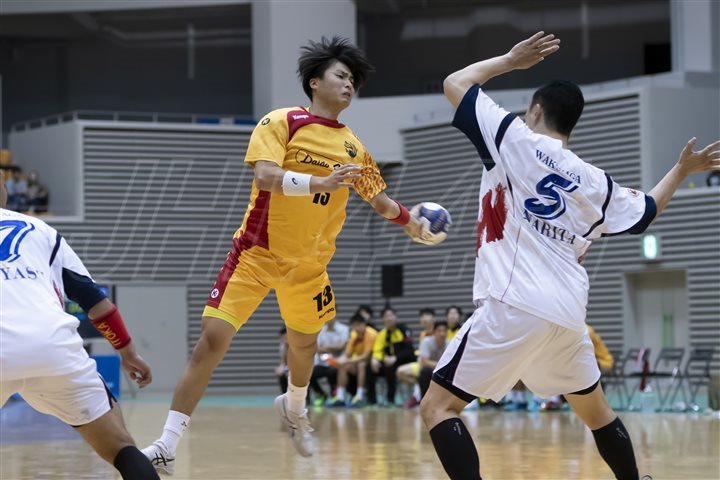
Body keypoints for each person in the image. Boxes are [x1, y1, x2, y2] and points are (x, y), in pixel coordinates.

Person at [420, 31, 719, 480]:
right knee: (597, 412)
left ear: (536, 111)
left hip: (515, 301)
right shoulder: (594, 181)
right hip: (567, 315)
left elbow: (455, 83)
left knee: (437, 407)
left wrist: (511, 60)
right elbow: (645, 213)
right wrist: (680, 170)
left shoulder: (514, 138)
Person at [142, 36, 429, 470]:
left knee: (304, 345)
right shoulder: (282, 122)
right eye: (341, 76)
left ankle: (295, 408)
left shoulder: (355, 147)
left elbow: (381, 201)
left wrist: (410, 222)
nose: (349, 85)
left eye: (353, 80)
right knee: (210, 342)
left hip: (310, 268)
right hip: (255, 255)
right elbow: (265, 176)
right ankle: (166, 444)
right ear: (315, 82)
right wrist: (320, 183)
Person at [0, 181, 158, 479]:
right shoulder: (41, 230)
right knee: (121, 447)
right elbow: (95, 302)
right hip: (53, 348)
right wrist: (127, 352)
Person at [328, 314, 378, 407]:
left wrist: (348, 361)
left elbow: (366, 356)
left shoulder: (371, 334)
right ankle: (340, 397)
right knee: (343, 366)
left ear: (364, 324)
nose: (357, 328)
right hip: (357, 361)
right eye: (354, 325)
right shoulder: (354, 335)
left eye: (359, 325)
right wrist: (338, 361)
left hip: (372, 361)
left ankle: (359, 396)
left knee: (361, 364)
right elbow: (347, 354)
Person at [369, 307, 416, 406]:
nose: (389, 318)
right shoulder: (382, 334)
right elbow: (377, 350)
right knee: (369, 367)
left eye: (391, 315)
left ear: (395, 317)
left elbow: (409, 350)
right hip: (389, 362)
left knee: (390, 367)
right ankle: (372, 400)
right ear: (383, 319)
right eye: (386, 316)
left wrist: (396, 358)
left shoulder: (404, 330)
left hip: (404, 361)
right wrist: (375, 360)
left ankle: (391, 399)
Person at [397, 308, 436, 408]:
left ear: (433, 318)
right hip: (423, 363)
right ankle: (419, 388)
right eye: (422, 316)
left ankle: (416, 396)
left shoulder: (438, 332)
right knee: (400, 372)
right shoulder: (422, 334)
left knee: (422, 369)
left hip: (434, 363)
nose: (424, 318)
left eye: (427, 315)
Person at [310, 317, 349, 405]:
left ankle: (335, 395)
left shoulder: (343, 329)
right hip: (323, 363)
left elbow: (341, 346)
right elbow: (317, 348)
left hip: (338, 362)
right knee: (309, 373)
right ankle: (321, 394)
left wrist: (326, 347)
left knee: (333, 372)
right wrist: (333, 348)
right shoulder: (319, 330)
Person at [417, 321, 448, 398]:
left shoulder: (451, 344)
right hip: (429, 369)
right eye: (439, 331)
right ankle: (423, 398)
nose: (442, 334)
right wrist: (439, 365)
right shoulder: (426, 341)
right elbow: (424, 362)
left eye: (444, 331)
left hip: (443, 370)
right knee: (424, 371)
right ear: (434, 332)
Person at [276, 326, 289, 393]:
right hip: (289, 367)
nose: (283, 340)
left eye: (285, 337)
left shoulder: (296, 345)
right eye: (281, 338)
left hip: (299, 366)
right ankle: (284, 394)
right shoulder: (283, 346)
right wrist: (281, 367)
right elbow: (283, 361)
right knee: (281, 373)